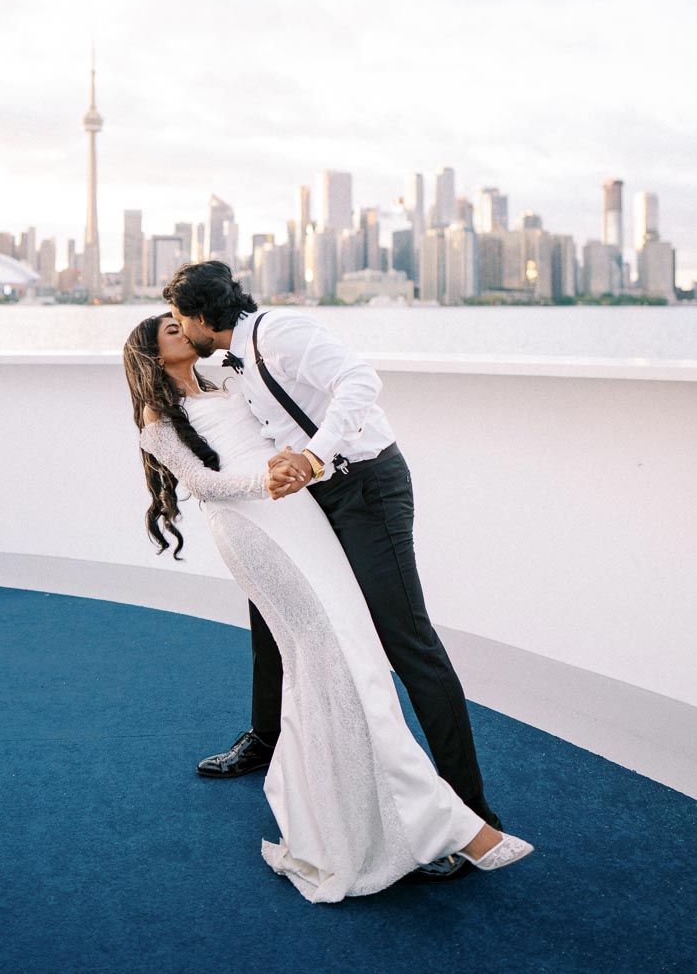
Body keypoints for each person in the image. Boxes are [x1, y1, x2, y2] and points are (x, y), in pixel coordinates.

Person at [123, 310, 533, 903]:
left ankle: (361, 810)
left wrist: (298, 469)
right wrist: (272, 481)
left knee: (345, 653)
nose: (182, 329)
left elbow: (293, 422)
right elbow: (205, 484)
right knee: (330, 652)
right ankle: (443, 822)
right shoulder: (157, 416)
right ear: (156, 357)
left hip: (301, 512)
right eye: (169, 329)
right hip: (256, 524)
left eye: (182, 320)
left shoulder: (228, 374)